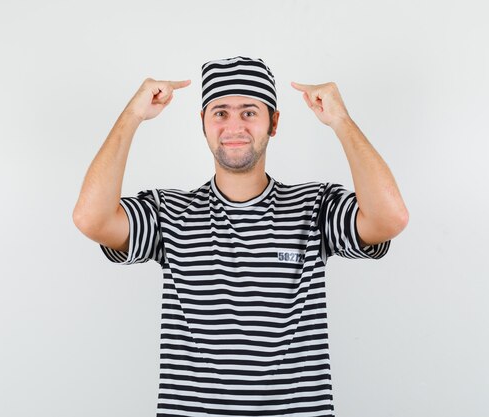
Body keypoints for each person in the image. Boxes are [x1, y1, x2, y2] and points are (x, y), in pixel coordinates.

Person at [73, 56, 408, 417]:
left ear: (273, 122)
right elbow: (91, 218)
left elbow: (390, 218)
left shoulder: (315, 207)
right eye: (220, 113)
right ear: (202, 123)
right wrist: (132, 116)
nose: (234, 126)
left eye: (249, 112)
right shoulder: (167, 213)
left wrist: (341, 121)